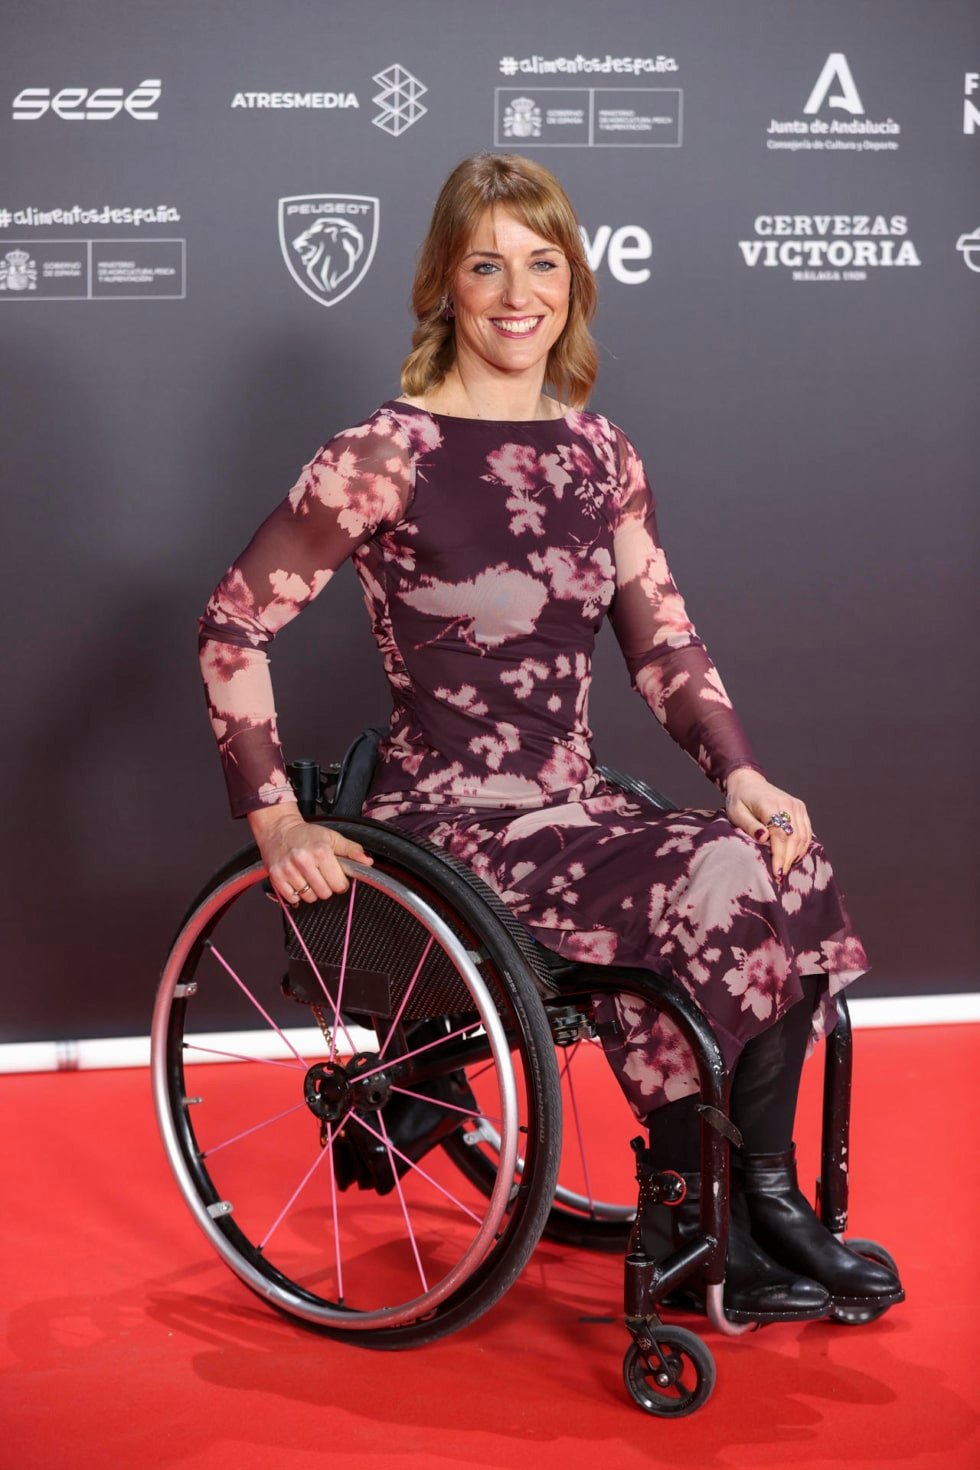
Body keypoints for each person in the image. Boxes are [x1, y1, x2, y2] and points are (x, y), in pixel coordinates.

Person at [198, 152, 902, 1323]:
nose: (517, 293)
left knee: (778, 853)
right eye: (486, 266)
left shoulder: (600, 455)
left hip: (573, 802)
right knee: (709, 876)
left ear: (573, 279)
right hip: (449, 821)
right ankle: (709, 1217)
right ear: (444, 283)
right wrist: (274, 816)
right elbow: (232, 623)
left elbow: (663, 641)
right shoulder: (381, 456)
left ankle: (757, 1203)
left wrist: (740, 772)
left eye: (541, 263)